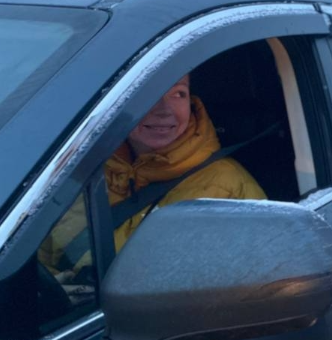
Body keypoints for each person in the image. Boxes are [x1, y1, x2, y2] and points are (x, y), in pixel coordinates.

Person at [39, 74, 265, 277]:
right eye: (148, 93)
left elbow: (259, 280)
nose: (164, 110)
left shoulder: (228, 187)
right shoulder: (79, 174)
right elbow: (37, 264)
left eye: (178, 93)